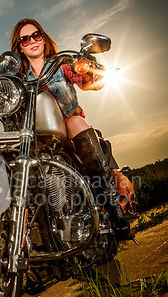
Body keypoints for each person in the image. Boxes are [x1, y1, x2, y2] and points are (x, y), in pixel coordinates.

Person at [11, 18, 130, 238]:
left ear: (44, 38)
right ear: (19, 47)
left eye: (36, 35)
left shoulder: (61, 64)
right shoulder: (17, 80)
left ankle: (112, 207)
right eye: (25, 39)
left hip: (67, 126)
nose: (32, 41)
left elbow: (86, 80)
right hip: (37, 137)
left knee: (74, 121)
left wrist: (90, 68)